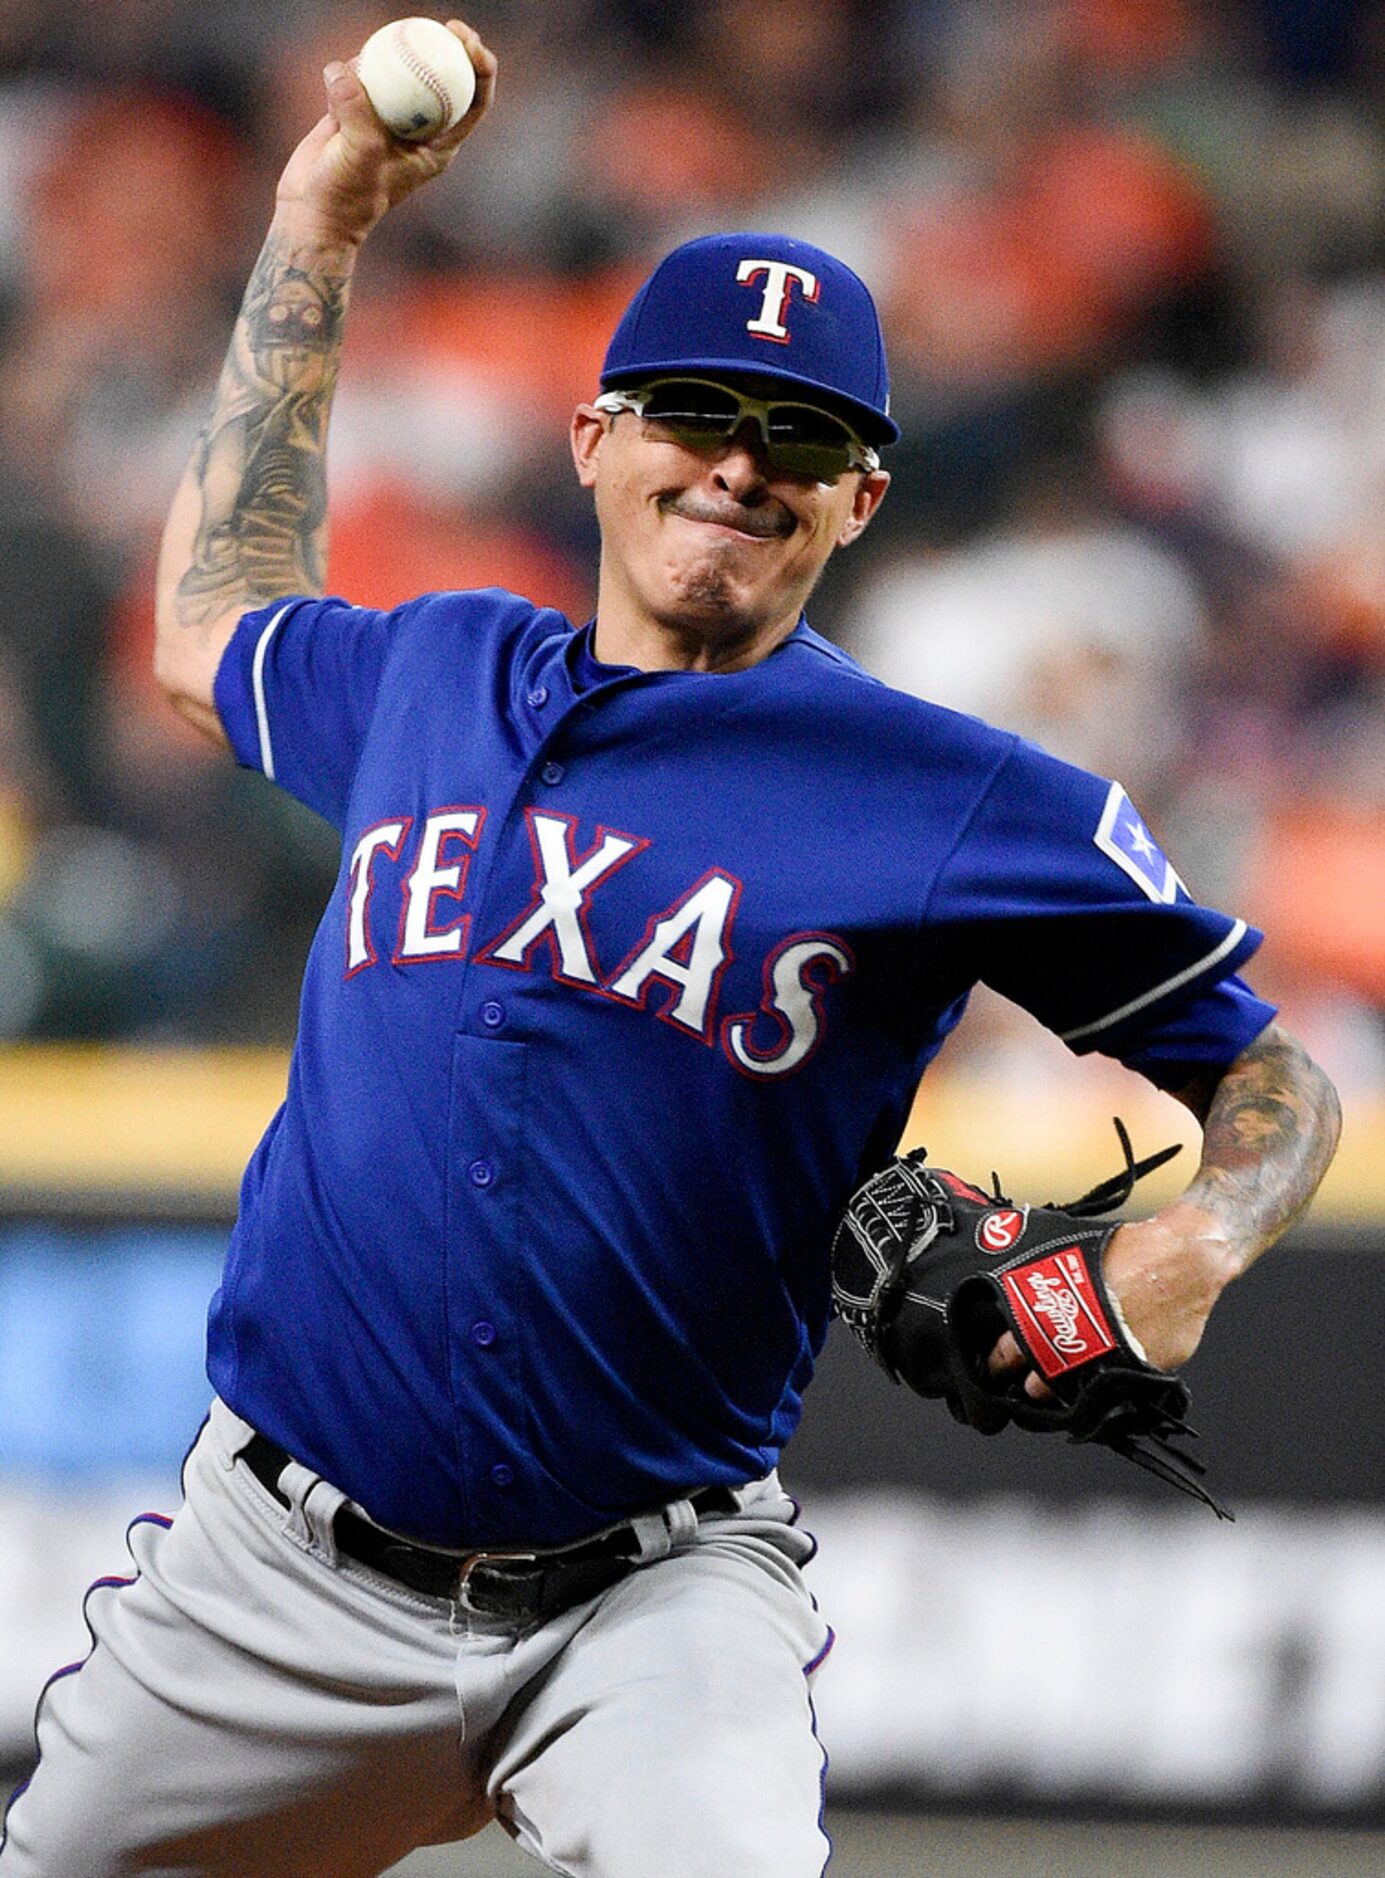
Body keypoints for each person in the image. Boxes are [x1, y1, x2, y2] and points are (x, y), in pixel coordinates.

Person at [3, 23, 1341, 1878]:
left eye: (802, 437)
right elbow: (209, 612)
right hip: (271, 1583)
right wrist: (315, 219)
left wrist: (1191, 1240)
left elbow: (1264, 1071)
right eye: (698, 411)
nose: (741, 462)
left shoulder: (943, 795)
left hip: (652, 1602)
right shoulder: (428, 670)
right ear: (595, 436)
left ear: (860, 499)